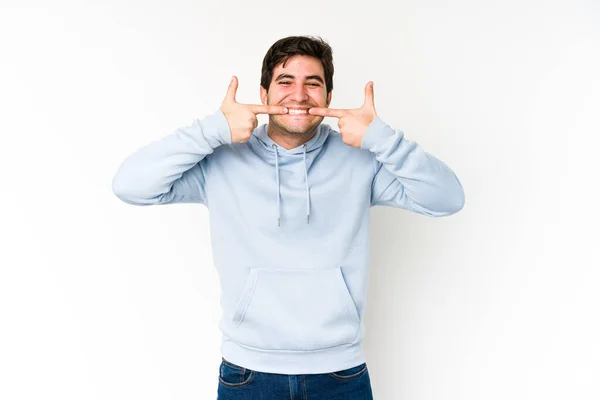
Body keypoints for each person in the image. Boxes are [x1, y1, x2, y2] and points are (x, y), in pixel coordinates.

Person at [112, 35, 465, 399]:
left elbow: (447, 199)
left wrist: (381, 138)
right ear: (263, 95)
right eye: (285, 82)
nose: (298, 95)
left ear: (328, 98)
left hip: (341, 374)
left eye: (313, 83)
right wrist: (213, 129)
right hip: (248, 374)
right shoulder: (221, 159)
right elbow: (131, 185)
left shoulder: (362, 159)